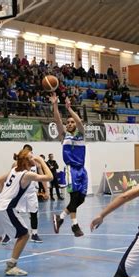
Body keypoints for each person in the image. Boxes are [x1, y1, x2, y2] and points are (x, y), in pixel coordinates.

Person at [0, 150, 52, 275]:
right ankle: (11, 266)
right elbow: (50, 177)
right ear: (27, 161)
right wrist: (42, 162)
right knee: (24, 235)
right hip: (6, 208)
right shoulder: (27, 174)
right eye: (32, 157)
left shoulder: (14, 170)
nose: (35, 158)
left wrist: (3, 197)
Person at [50, 93, 86, 237]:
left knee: (81, 198)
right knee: (74, 198)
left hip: (82, 170)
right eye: (68, 122)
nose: (70, 123)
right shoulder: (64, 136)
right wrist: (55, 105)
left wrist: (69, 108)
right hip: (71, 170)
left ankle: (60, 218)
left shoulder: (81, 134)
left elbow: (80, 123)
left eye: (72, 122)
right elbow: (58, 120)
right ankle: (74, 225)